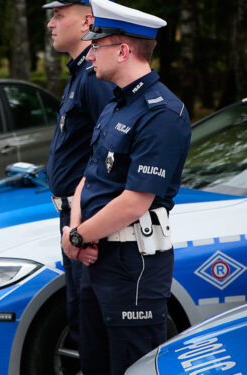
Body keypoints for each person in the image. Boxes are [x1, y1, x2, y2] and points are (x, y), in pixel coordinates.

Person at [60, 0, 191, 374]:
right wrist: (76, 229)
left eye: (95, 47)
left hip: (132, 267)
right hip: (95, 258)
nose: (88, 57)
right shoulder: (114, 106)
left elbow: (135, 202)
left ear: (122, 50)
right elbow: (90, 177)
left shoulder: (162, 112)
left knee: (131, 366)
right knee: (95, 363)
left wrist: (77, 238)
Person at [43, 0, 115, 353]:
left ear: (88, 20)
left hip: (88, 218)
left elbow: (112, 156)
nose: (50, 24)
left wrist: (89, 230)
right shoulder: (79, 73)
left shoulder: (94, 78)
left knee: (91, 326)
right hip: (73, 215)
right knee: (80, 318)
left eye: (58, 16)